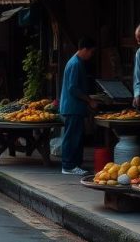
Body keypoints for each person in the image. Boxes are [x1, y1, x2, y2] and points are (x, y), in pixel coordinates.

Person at [60, 38, 99, 176]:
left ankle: (74, 165)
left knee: (76, 137)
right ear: (84, 49)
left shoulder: (76, 62)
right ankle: (68, 165)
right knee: (72, 137)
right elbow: (73, 88)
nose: (91, 55)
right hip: (72, 107)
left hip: (74, 107)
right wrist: (89, 100)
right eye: (91, 52)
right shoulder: (75, 64)